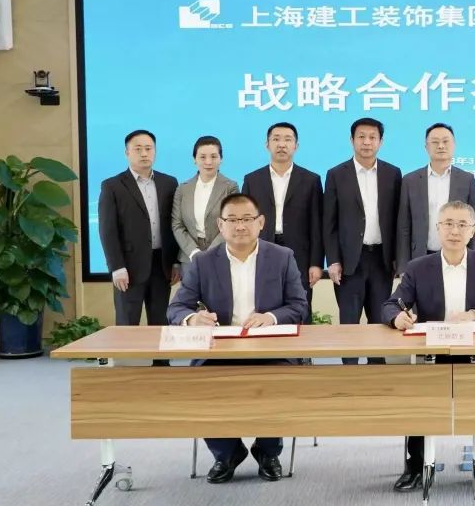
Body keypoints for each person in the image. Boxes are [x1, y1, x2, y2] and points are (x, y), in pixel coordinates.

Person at [167, 193, 309, 484]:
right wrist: (192, 318)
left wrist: (270, 317)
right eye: (232, 220)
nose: (240, 226)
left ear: (261, 222)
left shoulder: (282, 257)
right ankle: (227, 452)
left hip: (271, 349)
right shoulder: (204, 262)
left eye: (247, 219)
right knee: (199, 384)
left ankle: (268, 452)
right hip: (220, 349)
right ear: (220, 225)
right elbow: (176, 308)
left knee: (281, 382)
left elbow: (299, 306)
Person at [382, 201, 475, 492]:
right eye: (448, 224)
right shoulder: (419, 267)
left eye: (461, 225)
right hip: (432, 355)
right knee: (419, 394)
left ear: (472, 231)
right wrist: (398, 318)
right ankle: (416, 465)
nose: (454, 231)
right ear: (437, 228)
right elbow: (391, 304)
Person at [323, 117, 402, 364]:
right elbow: (329, 223)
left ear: (381, 141)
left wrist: (398, 259)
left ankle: (377, 373)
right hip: (349, 262)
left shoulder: (393, 173)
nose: (367, 142)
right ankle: (350, 374)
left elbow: (398, 220)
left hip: (381, 260)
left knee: (380, 320)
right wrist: (333, 260)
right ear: (352, 140)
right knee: (349, 322)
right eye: (361, 137)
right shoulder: (336, 174)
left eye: (372, 137)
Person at [98, 130, 179, 363]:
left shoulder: (169, 183)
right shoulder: (112, 185)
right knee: (127, 321)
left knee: (160, 321)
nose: (144, 153)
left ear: (155, 151)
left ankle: (161, 366)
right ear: (127, 152)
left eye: (149, 148)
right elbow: (107, 230)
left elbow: (173, 225)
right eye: (138, 149)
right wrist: (116, 266)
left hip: (161, 264)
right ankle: (126, 369)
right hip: (129, 267)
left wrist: (175, 261)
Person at [241, 122, 323, 319]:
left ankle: (302, 341)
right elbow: (244, 221)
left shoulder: (311, 180)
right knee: (261, 305)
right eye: (276, 139)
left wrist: (316, 263)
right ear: (267, 145)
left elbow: (317, 225)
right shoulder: (253, 179)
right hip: (261, 249)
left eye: (288, 139)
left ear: (296, 146)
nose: (282, 144)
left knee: (300, 307)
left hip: (299, 254)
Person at [396, 122, 475, 276]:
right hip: (421, 256)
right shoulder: (410, 180)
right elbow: (404, 226)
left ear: (454, 145)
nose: (441, 146)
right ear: (426, 147)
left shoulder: (466, 180)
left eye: (445, 141)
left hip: (457, 257)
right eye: (435, 142)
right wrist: (403, 266)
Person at [171, 135, 238, 265]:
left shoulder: (231, 187)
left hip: (221, 254)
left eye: (213, 156)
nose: (208, 162)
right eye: (202, 157)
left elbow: (231, 222)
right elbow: (177, 225)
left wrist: (209, 253)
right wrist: (193, 252)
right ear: (194, 159)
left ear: (221, 159)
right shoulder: (182, 189)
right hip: (189, 258)